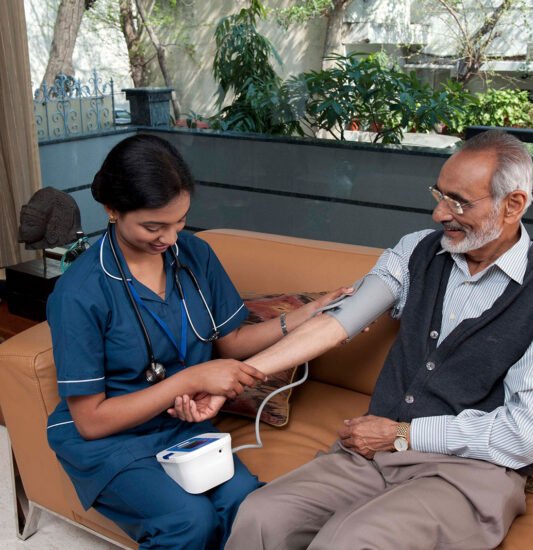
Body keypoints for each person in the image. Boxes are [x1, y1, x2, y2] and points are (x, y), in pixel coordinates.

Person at [200, 130, 533, 549]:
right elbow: (337, 323)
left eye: (458, 202)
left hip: (471, 472)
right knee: (261, 514)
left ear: (513, 205)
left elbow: (529, 432)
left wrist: (402, 434)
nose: (439, 213)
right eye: (439, 195)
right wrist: (236, 378)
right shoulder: (417, 251)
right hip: (374, 454)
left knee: (349, 541)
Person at [46, 134, 344, 550]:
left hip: (178, 424)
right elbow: (91, 421)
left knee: (246, 504)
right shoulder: (80, 292)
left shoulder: (195, 255)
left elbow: (232, 341)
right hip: (109, 439)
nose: (170, 239)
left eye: (180, 221)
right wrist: (189, 380)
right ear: (112, 209)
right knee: (188, 522)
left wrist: (308, 314)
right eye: (153, 226)